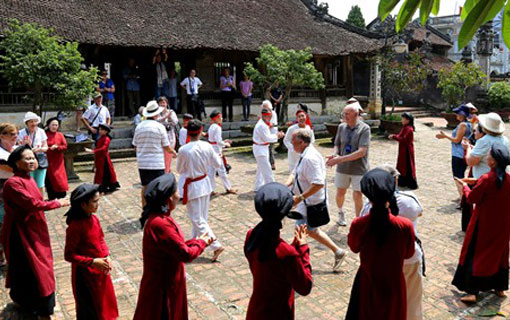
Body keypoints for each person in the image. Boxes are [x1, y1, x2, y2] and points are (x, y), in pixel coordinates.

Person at [0, 145, 70, 319]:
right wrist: (58, 203)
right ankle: (37, 305)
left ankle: (29, 302)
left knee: (38, 263)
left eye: (33, 158)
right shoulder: (13, 183)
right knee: (32, 266)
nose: (32, 161)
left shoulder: (29, 179)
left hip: (35, 227)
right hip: (21, 232)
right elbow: (33, 204)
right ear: (16, 163)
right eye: (27, 159)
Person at [133, 173, 213, 319]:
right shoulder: (161, 224)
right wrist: (202, 243)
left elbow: (174, 246)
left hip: (166, 278)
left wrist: (195, 241)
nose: (179, 195)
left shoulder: (161, 218)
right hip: (163, 285)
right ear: (169, 198)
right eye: (177, 191)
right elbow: (185, 254)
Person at [345, 168, 415, 320]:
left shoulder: (359, 224)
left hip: (367, 281)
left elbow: (354, 247)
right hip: (394, 283)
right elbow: (409, 253)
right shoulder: (404, 225)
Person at [360, 164, 424, 320]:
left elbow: (357, 242)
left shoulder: (367, 208)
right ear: (394, 180)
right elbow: (419, 213)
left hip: (378, 261)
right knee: (411, 302)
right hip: (407, 260)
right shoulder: (409, 201)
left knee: (380, 302)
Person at [452, 143, 510, 303]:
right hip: (503, 225)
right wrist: (475, 181)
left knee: (475, 254)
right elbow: (494, 186)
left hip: (483, 224)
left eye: (489, 155)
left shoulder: (487, 179)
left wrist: (464, 186)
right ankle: (499, 287)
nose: (487, 157)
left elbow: (472, 198)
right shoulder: (508, 179)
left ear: (494, 161)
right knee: (500, 254)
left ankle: (472, 291)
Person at [245, 182, 312, 319]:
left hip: (256, 308)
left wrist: (294, 248)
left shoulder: (252, 235)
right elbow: (305, 286)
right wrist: (303, 248)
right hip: (278, 312)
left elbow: (271, 262)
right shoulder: (287, 253)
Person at [286, 129, 346, 272]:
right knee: (311, 231)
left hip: (310, 202)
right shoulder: (304, 154)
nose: (292, 146)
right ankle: (338, 251)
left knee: (300, 232)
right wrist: (285, 185)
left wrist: (300, 197)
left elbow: (318, 183)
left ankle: (295, 262)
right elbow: (295, 172)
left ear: (301, 142)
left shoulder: (310, 158)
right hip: (305, 202)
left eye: (293, 143)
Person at [64, 184, 118, 319]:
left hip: (99, 270)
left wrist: (106, 255)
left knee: (104, 304)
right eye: (94, 202)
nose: (97, 204)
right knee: (90, 308)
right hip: (84, 274)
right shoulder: (75, 226)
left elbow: (100, 238)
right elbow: (69, 255)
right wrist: (92, 262)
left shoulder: (94, 219)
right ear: (83, 204)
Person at [176, 119, 224, 261]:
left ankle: (215, 244)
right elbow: (217, 164)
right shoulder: (207, 146)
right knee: (201, 218)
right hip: (204, 182)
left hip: (194, 185)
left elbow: (179, 170)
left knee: (197, 219)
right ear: (201, 130)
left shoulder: (184, 150)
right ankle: (195, 242)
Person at [461, 113, 508, 231]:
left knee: (484, 209)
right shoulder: (504, 139)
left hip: (486, 178)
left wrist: (467, 150)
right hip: (502, 177)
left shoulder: (485, 140)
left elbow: (471, 161)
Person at [326, 103, 371, 226]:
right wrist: (335, 154)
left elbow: (362, 152)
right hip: (343, 168)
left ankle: (359, 220)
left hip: (359, 167)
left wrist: (339, 159)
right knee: (340, 192)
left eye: (347, 114)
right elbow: (337, 144)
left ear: (356, 114)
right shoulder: (341, 127)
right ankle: (341, 212)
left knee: (358, 194)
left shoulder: (364, 128)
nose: (344, 116)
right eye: (344, 113)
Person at [132, 100, 177, 207]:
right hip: (156, 162)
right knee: (159, 186)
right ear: (156, 114)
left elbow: (135, 145)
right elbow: (166, 146)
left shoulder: (139, 127)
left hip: (143, 162)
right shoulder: (159, 127)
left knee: (145, 186)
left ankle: (145, 209)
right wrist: (173, 152)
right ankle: (158, 208)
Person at [435, 104, 472, 199]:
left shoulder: (463, 125)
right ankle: (463, 195)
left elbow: (457, 140)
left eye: (458, 114)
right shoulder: (469, 124)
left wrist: (445, 136)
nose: (457, 115)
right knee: (460, 175)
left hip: (458, 154)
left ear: (463, 115)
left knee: (458, 177)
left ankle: (463, 197)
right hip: (461, 153)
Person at [253, 108, 284, 191]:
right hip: (260, 149)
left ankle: (257, 186)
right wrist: (277, 136)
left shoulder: (263, 123)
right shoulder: (261, 125)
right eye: (269, 116)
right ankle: (272, 188)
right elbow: (267, 138)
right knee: (267, 170)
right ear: (265, 116)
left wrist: (271, 126)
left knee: (260, 169)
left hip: (262, 148)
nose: (270, 118)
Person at [0, 123, 18, 267]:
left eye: (16, 133)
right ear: (2, 136)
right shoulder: (1, 154)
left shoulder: (16, 150)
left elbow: (34, 164)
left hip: (17, 187)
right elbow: (13, 168)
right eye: (11, 134)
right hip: (3, 189)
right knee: (3, 223)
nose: (15, 136)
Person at [18, 112, 48, 195]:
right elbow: (18, 148)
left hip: (40, 159)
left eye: (35, 121)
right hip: (26, 159)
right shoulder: (21, 133)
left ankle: (41, 203)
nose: (33, 124)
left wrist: (39, 149)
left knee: (40, 184)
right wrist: (24, 145)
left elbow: (46, 147)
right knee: (28, 184)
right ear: (27, 123)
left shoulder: (41, 131)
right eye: (31, 121)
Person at [207, 110, 237, 195]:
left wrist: (222, 142)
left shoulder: (212, 126)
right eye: (220, 117)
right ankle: (228, 188)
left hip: (212, 149)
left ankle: (211, 189)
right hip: (216, 150)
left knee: (211, 171)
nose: (222, 118)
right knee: (221, 170)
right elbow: (218, 141)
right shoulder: (217, 127)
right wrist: (225, 144)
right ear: (216, 118)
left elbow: (214, 140)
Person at [84, 124, 120, 193]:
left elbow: (103, 148)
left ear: (106, 131)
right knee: (101, 172)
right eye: (99, 129)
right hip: (100, 158)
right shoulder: (101, 137)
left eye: (101, 130)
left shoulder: (106, 138)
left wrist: (93, 151)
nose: (99, 131)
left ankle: (105, 186)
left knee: (104, 173)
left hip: (104, 159)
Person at [388, 112, 418, 190]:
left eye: (403, 118)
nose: (402, 120)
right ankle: (402, 182)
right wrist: (394, 136)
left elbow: (403, 139)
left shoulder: (409, 129)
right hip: (403, 149)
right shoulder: (405, 127)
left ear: (408, 120)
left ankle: (409, 183)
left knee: (407, 166)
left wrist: (394, 137)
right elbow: (400, 136)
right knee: (401, 165)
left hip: (407, 150)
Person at [44, 117, 68, 200]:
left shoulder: (60, 135)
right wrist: (50, 148)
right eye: (53, 125)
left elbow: (65, 146)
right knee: (50, 177)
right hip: (48, 159)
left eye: (56, 125)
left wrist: (57, 147)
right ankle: (52, 195)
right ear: (48, 125)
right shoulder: (44, 134)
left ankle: (61, 193)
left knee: (60, 177)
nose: (54, 127)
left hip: (58, 160)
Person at [158, 96, 179, 173]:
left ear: (166, 103)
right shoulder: (156, 113)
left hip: (169, 136)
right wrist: (165, 117)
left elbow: (175, 122)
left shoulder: (171, 112)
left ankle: (167, 170)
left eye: (163, 103)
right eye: (160, 103)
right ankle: (164, 170)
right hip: (160, 137)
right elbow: (157, 121)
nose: (162, 104)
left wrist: (169, 118)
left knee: (168, 155)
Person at [178, 114, 193, 198]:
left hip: (188, 150)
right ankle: (181, 193)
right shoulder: (183, 130)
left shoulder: (188, 130)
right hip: (185, 151)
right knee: (183, 173)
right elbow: (183, 143)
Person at [261, 100, 279, 171]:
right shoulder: (267, 113)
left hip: (272, 133)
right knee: (269, 149)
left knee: (270, 149)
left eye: (264, 106)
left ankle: (272, 164)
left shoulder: (272, 113)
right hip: (269, 133)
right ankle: (270, 163)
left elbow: (272, 124)